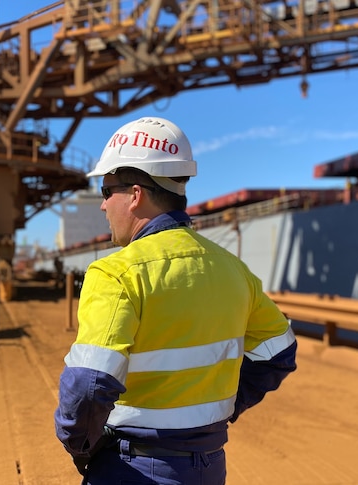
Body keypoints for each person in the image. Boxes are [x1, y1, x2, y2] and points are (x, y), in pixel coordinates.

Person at [54, 117, 297, 484]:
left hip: (131, 468)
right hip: (208, 466)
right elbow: (278, 353)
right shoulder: (234, 270)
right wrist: (222, 409)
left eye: (107, 193)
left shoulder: (116, 273)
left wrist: (81, 445)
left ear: (135, 195)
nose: (103, 207)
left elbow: (88, 385)